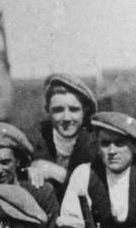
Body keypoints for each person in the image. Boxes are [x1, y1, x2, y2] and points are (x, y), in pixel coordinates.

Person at [29, 73, 99, 201]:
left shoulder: (96, 142)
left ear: (85, 111)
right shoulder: (35, 137)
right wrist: (29, 171)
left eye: (74, 109)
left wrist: (57, 172)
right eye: (58, 110)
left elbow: (97, 188)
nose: (66, 118)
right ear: (47, 110)